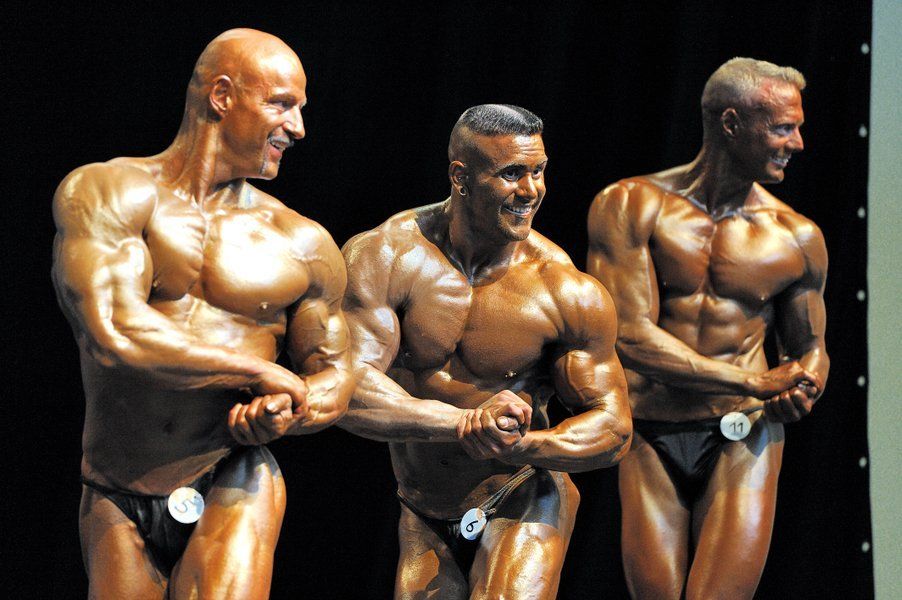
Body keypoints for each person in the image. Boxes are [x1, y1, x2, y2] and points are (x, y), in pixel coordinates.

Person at [51, 29, 354, 599]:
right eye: (281, 104)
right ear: (222, 96)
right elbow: (113, 332)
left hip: (230, 476)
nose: (297, 127)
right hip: (115, 485)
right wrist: (258, 372)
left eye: (300, 109)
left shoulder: (303, 242)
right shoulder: (108, 191)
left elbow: (335, 376)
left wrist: (288, 411)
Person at [339, 104, 632, 599]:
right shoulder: (385, 257)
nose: (532, 190)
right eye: (512, 173)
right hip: (422, 507)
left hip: (522, 492)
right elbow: (347, 389)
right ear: (461, 177)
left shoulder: (563, 289)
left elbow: (614, 427)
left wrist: (521, 446)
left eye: (539, 171)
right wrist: (461, 423)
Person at [587, 57, 829, 599]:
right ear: (731, 123)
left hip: (744, 434)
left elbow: (811, 347)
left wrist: (805, 385)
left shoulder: (797, 236)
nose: (797, 143)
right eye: (783, 128)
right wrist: (753, 380)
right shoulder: (630, 205)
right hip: (650, 429)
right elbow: (627, 335)